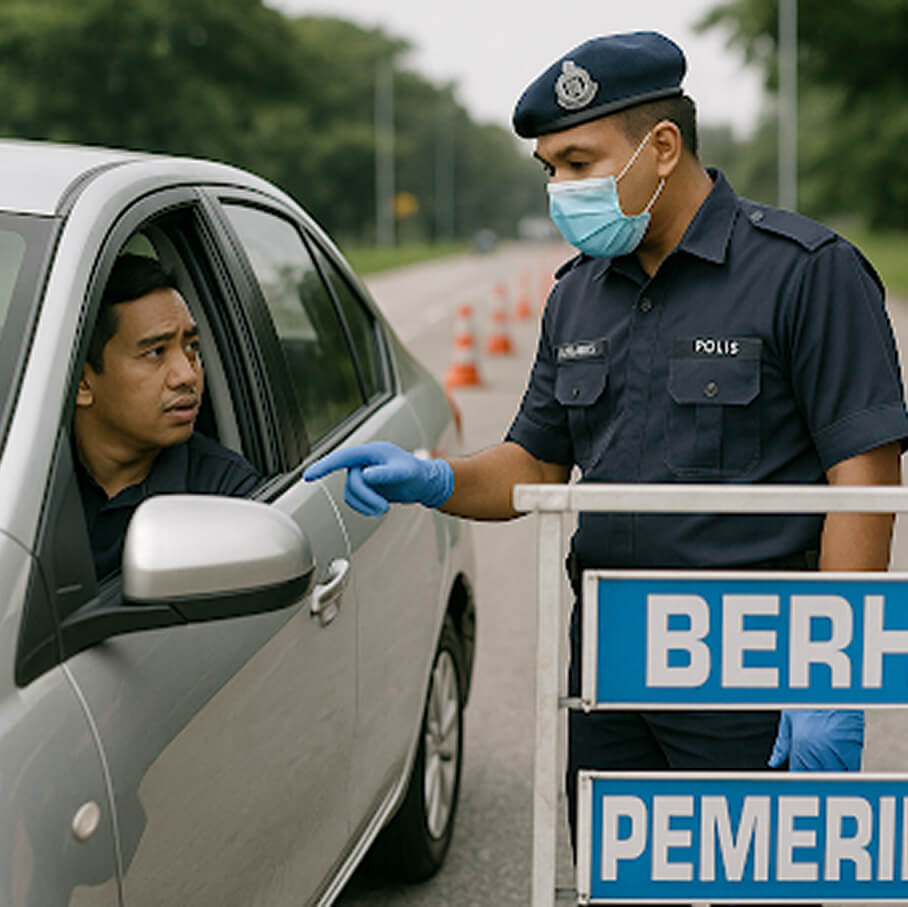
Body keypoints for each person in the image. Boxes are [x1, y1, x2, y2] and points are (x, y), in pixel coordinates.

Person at [304, 30, 905, 897]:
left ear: (663, 148)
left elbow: (865, 475)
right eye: (549, 168)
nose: (560, 187)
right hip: (614, 669)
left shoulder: (806, 275)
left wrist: (828, 671)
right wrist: (435, 478)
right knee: (621, 887)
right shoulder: (580, 293)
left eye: (579, 160)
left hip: (752, 668)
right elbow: (536, 470)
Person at [74, 253, 258, 580]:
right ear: (82, 382)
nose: (186, 375)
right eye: (156, 352)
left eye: (191, 347)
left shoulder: (225, 494)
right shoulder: (23, 481)